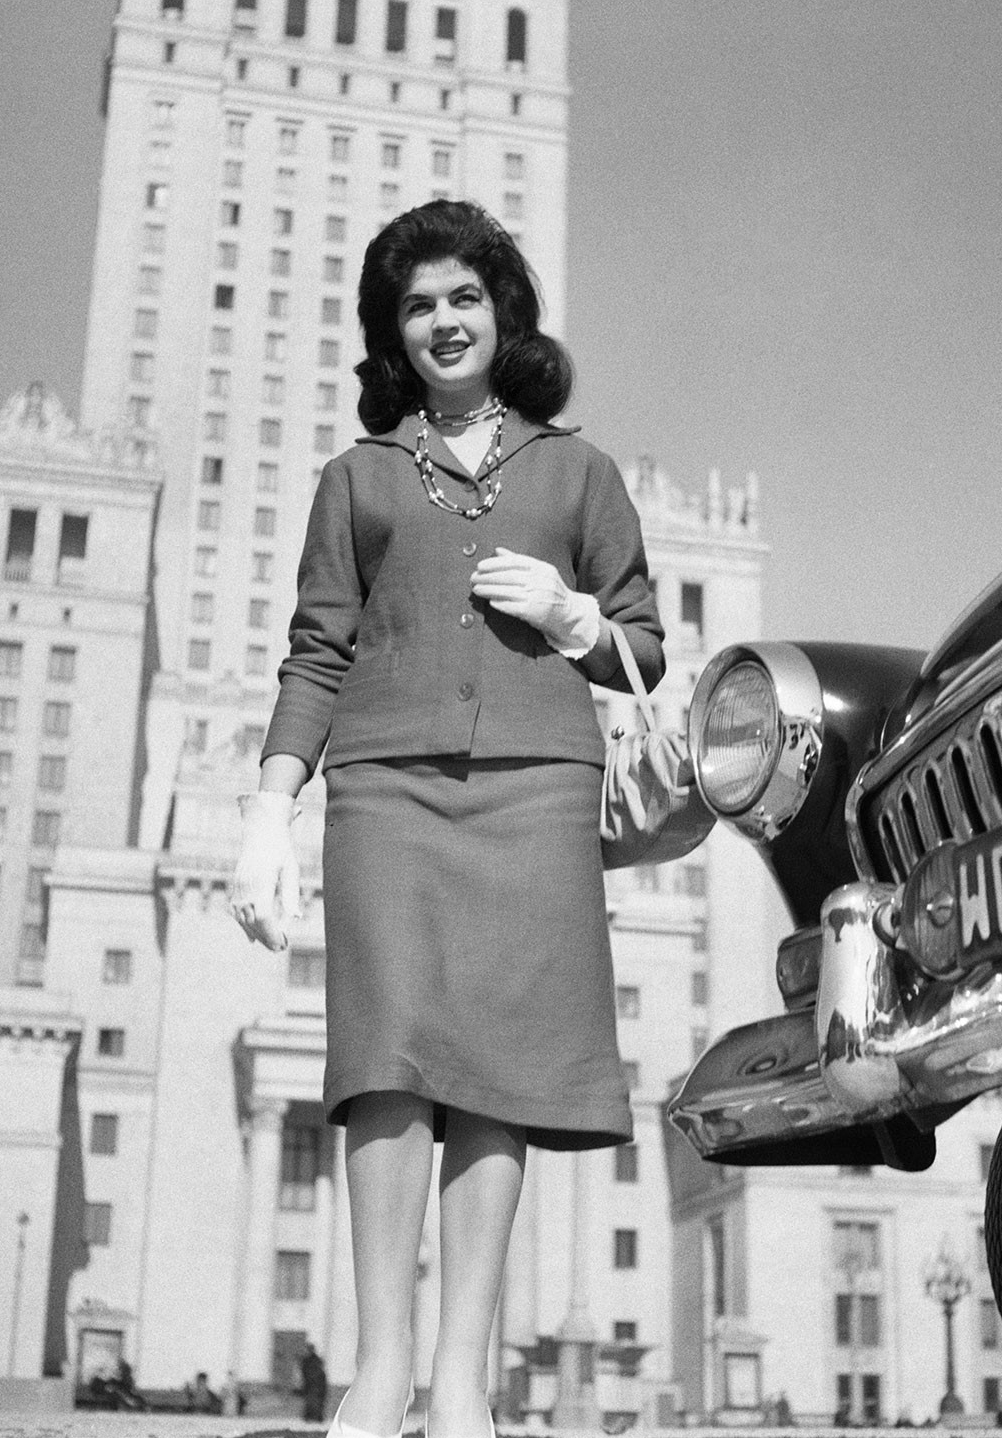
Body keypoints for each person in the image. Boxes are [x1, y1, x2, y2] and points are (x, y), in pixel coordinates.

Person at [231, 199, 664, 1438]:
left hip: (536, 790)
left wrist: (577, 618)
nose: (444, 321)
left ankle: (464, 1378)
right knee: (388, 1065)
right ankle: (381, 1373)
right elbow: (317, 652)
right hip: (386, 793)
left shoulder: (579, 472)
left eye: (464, 297)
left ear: (502, 312)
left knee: (497, 1075)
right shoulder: (357, 479)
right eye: (418, 305)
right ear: (394, 333)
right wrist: (271, 809)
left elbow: (640, 640)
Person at [300, 1343, 329, 1423]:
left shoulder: (309, 1360)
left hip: (314, 1383)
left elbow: (309, 1372)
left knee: (313, 1401)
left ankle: (313, 1417)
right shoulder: (314, 1360)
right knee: (314, 1401)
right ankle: (315, 1417)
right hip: (316, 1383)